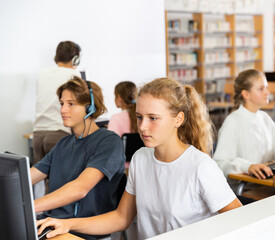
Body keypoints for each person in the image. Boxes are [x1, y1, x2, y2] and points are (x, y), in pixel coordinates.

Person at [37, 77, 242, 240]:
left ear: (178, 119)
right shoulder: (140, 158)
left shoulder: (200, 166)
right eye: (139, 117)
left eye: (153, 118)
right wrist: (68, 224)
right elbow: (121, 218)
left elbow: (240, 222)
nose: (142, 127)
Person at [31, 76, 125, 240]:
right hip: (51, 225)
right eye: (62, 104)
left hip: (84, 233)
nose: (63, 110)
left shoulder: (109, 142)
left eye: (71, 104)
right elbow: (29, 177)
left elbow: (80, 189)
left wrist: (29, 207)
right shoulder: (63, 144)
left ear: (90, 107)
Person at [213, 69, 275, 187]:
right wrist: (247, 167)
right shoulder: (233, 121)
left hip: (265, 183)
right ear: (246, 94)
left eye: (266, 88)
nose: (267, 92)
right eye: (261, 89)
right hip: (245, 188)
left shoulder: (264, 117)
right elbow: (220, 163)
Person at [32, 41, 82, 198]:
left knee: (38, 182)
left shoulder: (42, 73)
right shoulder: (74, 75)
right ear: (75, 59)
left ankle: (38, 218)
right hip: (58, 133)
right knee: (58, 183)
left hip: (38, 134)